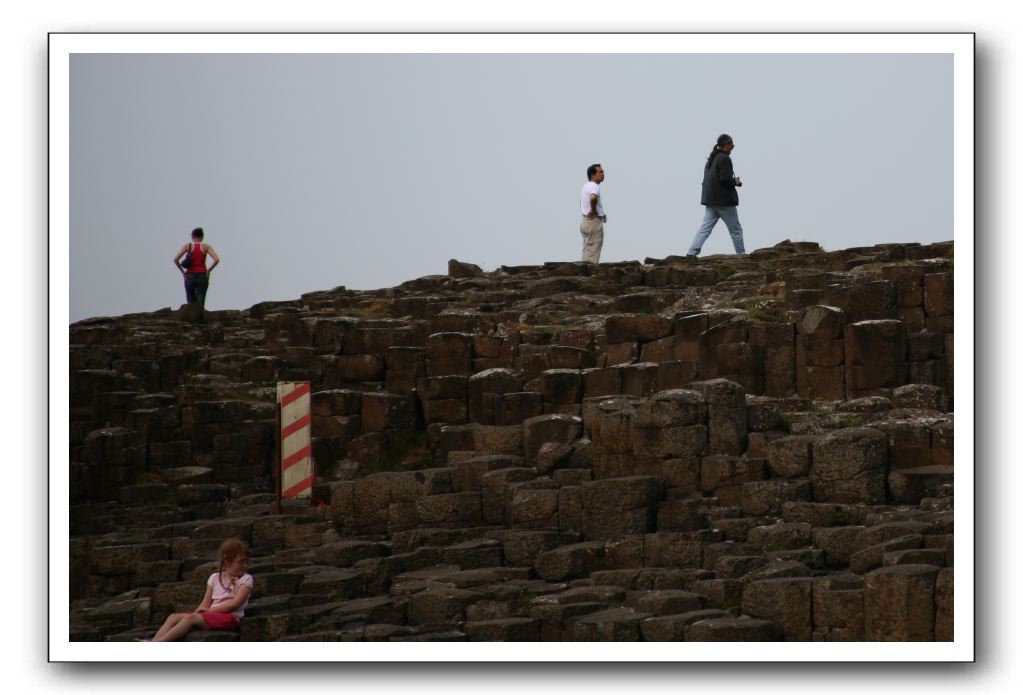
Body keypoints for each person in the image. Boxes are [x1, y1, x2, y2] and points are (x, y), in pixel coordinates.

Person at [148, 537, 253, 642]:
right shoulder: (214, 578)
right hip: (212, 615)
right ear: (227, 562)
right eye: (241, 562)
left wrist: (209, 611)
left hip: (230, 618)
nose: (245, 565)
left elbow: (235, 604)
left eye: (246, 561)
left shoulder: (246, 579)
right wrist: (199, 612)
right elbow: (205, 604)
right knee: (173, 617)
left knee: (190, 619)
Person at [686, 134, 746, 257]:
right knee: (735, 230)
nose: (733, 148)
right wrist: (735, 182)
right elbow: (724, 179)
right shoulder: (724, 158)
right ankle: (741, 255)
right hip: (723, 201)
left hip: (710, 201)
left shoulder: (711, 159)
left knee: (705, 228)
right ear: (726, 144)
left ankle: (691, 253)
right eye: (732, 145)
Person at [173, 227, 220, 308]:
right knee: (200, 303)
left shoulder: (187, 246)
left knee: (190, 302)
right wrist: (209, 271)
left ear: (192, 236)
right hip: (202, 275)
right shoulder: (206, 247)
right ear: (202, 236)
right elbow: (216, 259)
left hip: (189, 276)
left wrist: (182, 272)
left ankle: (191, 318)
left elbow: (176, 259)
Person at [579, 163, 606, 264]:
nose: (603, 174)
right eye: (600, 172)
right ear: (592, 175)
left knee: (587, 250)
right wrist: (594, 211)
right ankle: (589, 276)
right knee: (594, 250)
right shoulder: (594, 186)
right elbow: (593, 197)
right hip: (593, 222)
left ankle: (583, 274)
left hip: (585, 221)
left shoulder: (585, 186)